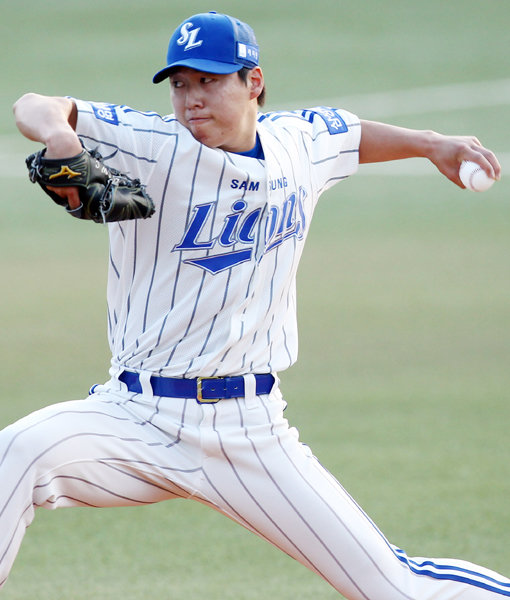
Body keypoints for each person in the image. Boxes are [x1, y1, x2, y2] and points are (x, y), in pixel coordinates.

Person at [5, 10, 507, 599]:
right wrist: (62, 137)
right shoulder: (151, 144)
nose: (192, 98)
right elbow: (33, 105)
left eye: (210, 80)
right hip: (134, 419)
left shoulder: (298, 143)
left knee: (393, 587)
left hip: (250, 430)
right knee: (15, 455)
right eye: (180, 83)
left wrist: (432, 145)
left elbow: (349, 135)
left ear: (254, 82)